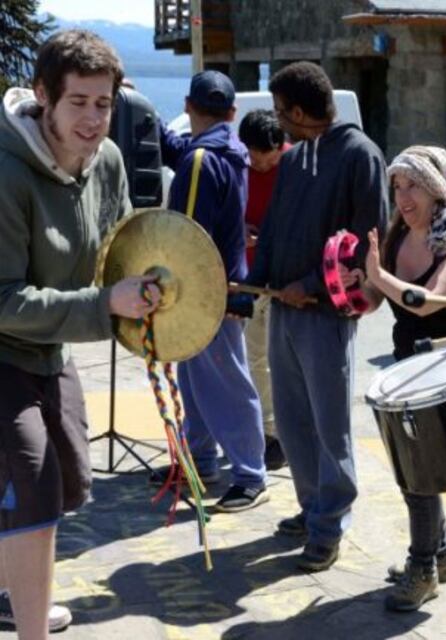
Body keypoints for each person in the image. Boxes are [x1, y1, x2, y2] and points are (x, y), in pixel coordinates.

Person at [0, 29, 161, 638]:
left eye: (105, 103)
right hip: (2, 348)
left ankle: (8, 592)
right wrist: (104, 305)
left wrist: (158, 303)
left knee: (68, 482)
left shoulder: (110, 160)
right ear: (44, 96)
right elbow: (3, 299)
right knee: (34, 494)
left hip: (50, 349)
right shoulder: (6, 175)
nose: (95, 120)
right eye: (79, 103)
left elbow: (120, 250)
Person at [247, 61, 388, 571]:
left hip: (326, 315)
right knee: (292, 420)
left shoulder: (360, 155)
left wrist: (308, 285)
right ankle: (311, 510)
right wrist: (256, 283)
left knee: (330, 427)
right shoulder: (293, 157)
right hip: (284, 312)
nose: (278, 121)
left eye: (282, 111)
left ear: (302, 111)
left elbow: (368, 241)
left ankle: (329, 524)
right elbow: (275, 227)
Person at [346, 145, 446, 611]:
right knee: (413, 474)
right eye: (397, 186)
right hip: (407, 367)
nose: (402, 196)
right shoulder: (396, 238)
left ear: (437, 191)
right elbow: (378, 297)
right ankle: (442, 554)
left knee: (419, 477)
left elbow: (425, 302)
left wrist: (376, 275)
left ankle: (423, 567)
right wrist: (357, 288)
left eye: (412, 186)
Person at [156, 70, 268, 513]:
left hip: (203, 289)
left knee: (224, 380)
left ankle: (250, 474)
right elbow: (185, 152)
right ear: (233, 113)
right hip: (223, 283)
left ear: (188, 106)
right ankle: (200, 460)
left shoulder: (202, 159)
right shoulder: (231, 150)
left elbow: (186, 233)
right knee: (198, 378)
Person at [238, 109, 291, 471]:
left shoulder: (294, 165)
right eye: (254, 158)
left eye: (266, 159)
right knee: (255, 357)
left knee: (286, 362)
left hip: (287, 277)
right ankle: (270, 433)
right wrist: (238, 229)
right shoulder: (238, 165)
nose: (259, 166)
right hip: (252, 275)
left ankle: (286, 434)